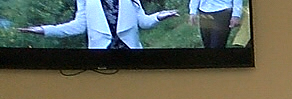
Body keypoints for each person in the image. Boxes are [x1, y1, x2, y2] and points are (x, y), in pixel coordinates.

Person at [19, 1, 179, 49]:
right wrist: (45, 30)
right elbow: (78, 26)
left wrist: (159, 16)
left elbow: (143, 22)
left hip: (130, 52)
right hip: (100, 56)